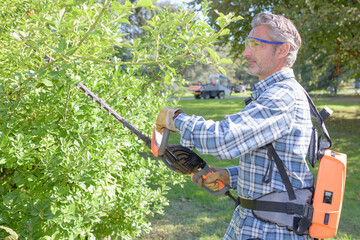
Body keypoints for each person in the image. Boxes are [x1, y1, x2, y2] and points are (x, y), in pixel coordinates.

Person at [156, 12, 313, 240]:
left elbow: (223, 139)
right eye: (248, 44)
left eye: (255, 44)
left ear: (282, 50)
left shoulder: (282, 96)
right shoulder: (272, 94)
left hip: (271, 230)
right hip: (251, 222)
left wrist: (174, 118)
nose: (246, 52)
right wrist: (228, 176)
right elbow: (277, 168)